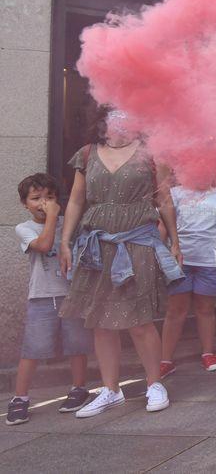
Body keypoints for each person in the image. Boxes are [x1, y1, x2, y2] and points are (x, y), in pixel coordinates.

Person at [58, 107, 183, 417]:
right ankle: (111, 389)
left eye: (128, 114)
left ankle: (155, 383)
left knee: (140, 321)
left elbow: (164, 199)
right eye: (114, 114)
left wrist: (175, 241)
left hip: (138, 244)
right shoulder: (87, 154)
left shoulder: (152, 155)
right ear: (102, 121)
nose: (121, 121)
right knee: (100, 322)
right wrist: (65, 241)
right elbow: (76, 199)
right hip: (96, 246)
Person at [8, 174, 92, 425]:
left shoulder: (70, 222)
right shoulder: (24, 228)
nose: (44, 203)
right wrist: (54, 217)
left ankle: (79, 388)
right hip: (41, 297)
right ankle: (20, 398)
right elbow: (44, 246)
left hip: (71, 294)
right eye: (36, 199)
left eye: (50, 198)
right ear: (25, 203)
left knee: (77, 344)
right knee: (33, 349)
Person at [159, 184, 216, 375]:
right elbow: (163, 225)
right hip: (179, 261)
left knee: (205, 309)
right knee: (175, 310)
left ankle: (207, 353)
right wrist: (158, 251)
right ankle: (165, 359)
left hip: (211, 263)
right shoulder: (174, 194)